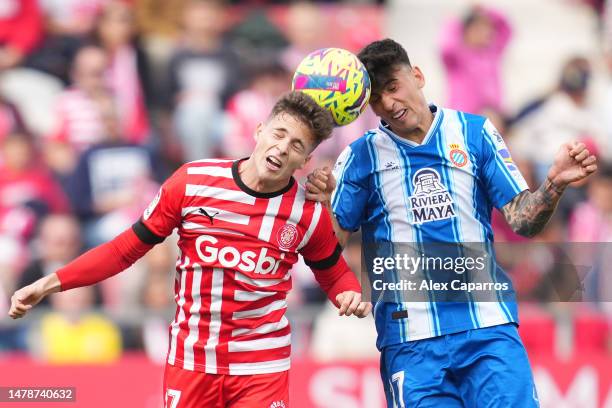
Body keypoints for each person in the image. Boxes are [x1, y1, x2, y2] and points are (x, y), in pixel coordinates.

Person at [9, 91, 371, 408]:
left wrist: (350, 294)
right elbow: (124, 250)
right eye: (279, 134)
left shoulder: (306, 212)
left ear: (304, 161)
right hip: (192, 359)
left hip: (261, 364)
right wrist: (50, 283)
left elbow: (333, 271)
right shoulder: (193, 180)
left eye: (296, 146)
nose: (282, 148)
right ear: (260, 131)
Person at [305, 39, 597, 407]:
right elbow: (330, 245)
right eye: (377, 98)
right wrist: (325, 204)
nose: (390, 104)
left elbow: (522, 222)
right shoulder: (360, 156)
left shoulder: (475, 133)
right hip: (410, 341)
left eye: (394, 87)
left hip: (487, 327)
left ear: (417, 76)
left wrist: (553, 183)